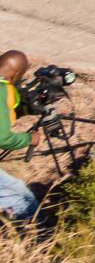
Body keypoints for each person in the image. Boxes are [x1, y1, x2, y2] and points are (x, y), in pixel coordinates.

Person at [0, 51, 40, 220]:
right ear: (16, 75)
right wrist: (30, 139)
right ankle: (40, 240)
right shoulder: (2, 90)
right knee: (25, 200)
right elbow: (3, 139)